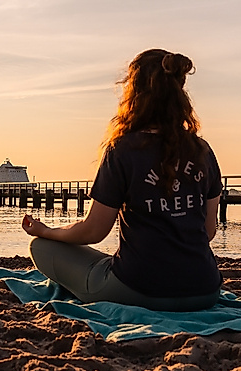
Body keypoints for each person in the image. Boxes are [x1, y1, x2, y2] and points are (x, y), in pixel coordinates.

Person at [21, 49, 222, 312]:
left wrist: (47, 231)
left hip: (139, 290)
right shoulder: (203, 151)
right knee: (107, 260)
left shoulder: (123, 150)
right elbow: (208, 231)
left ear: (134, 93)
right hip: (205, 291)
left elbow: (94, 231)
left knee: (41, 247)